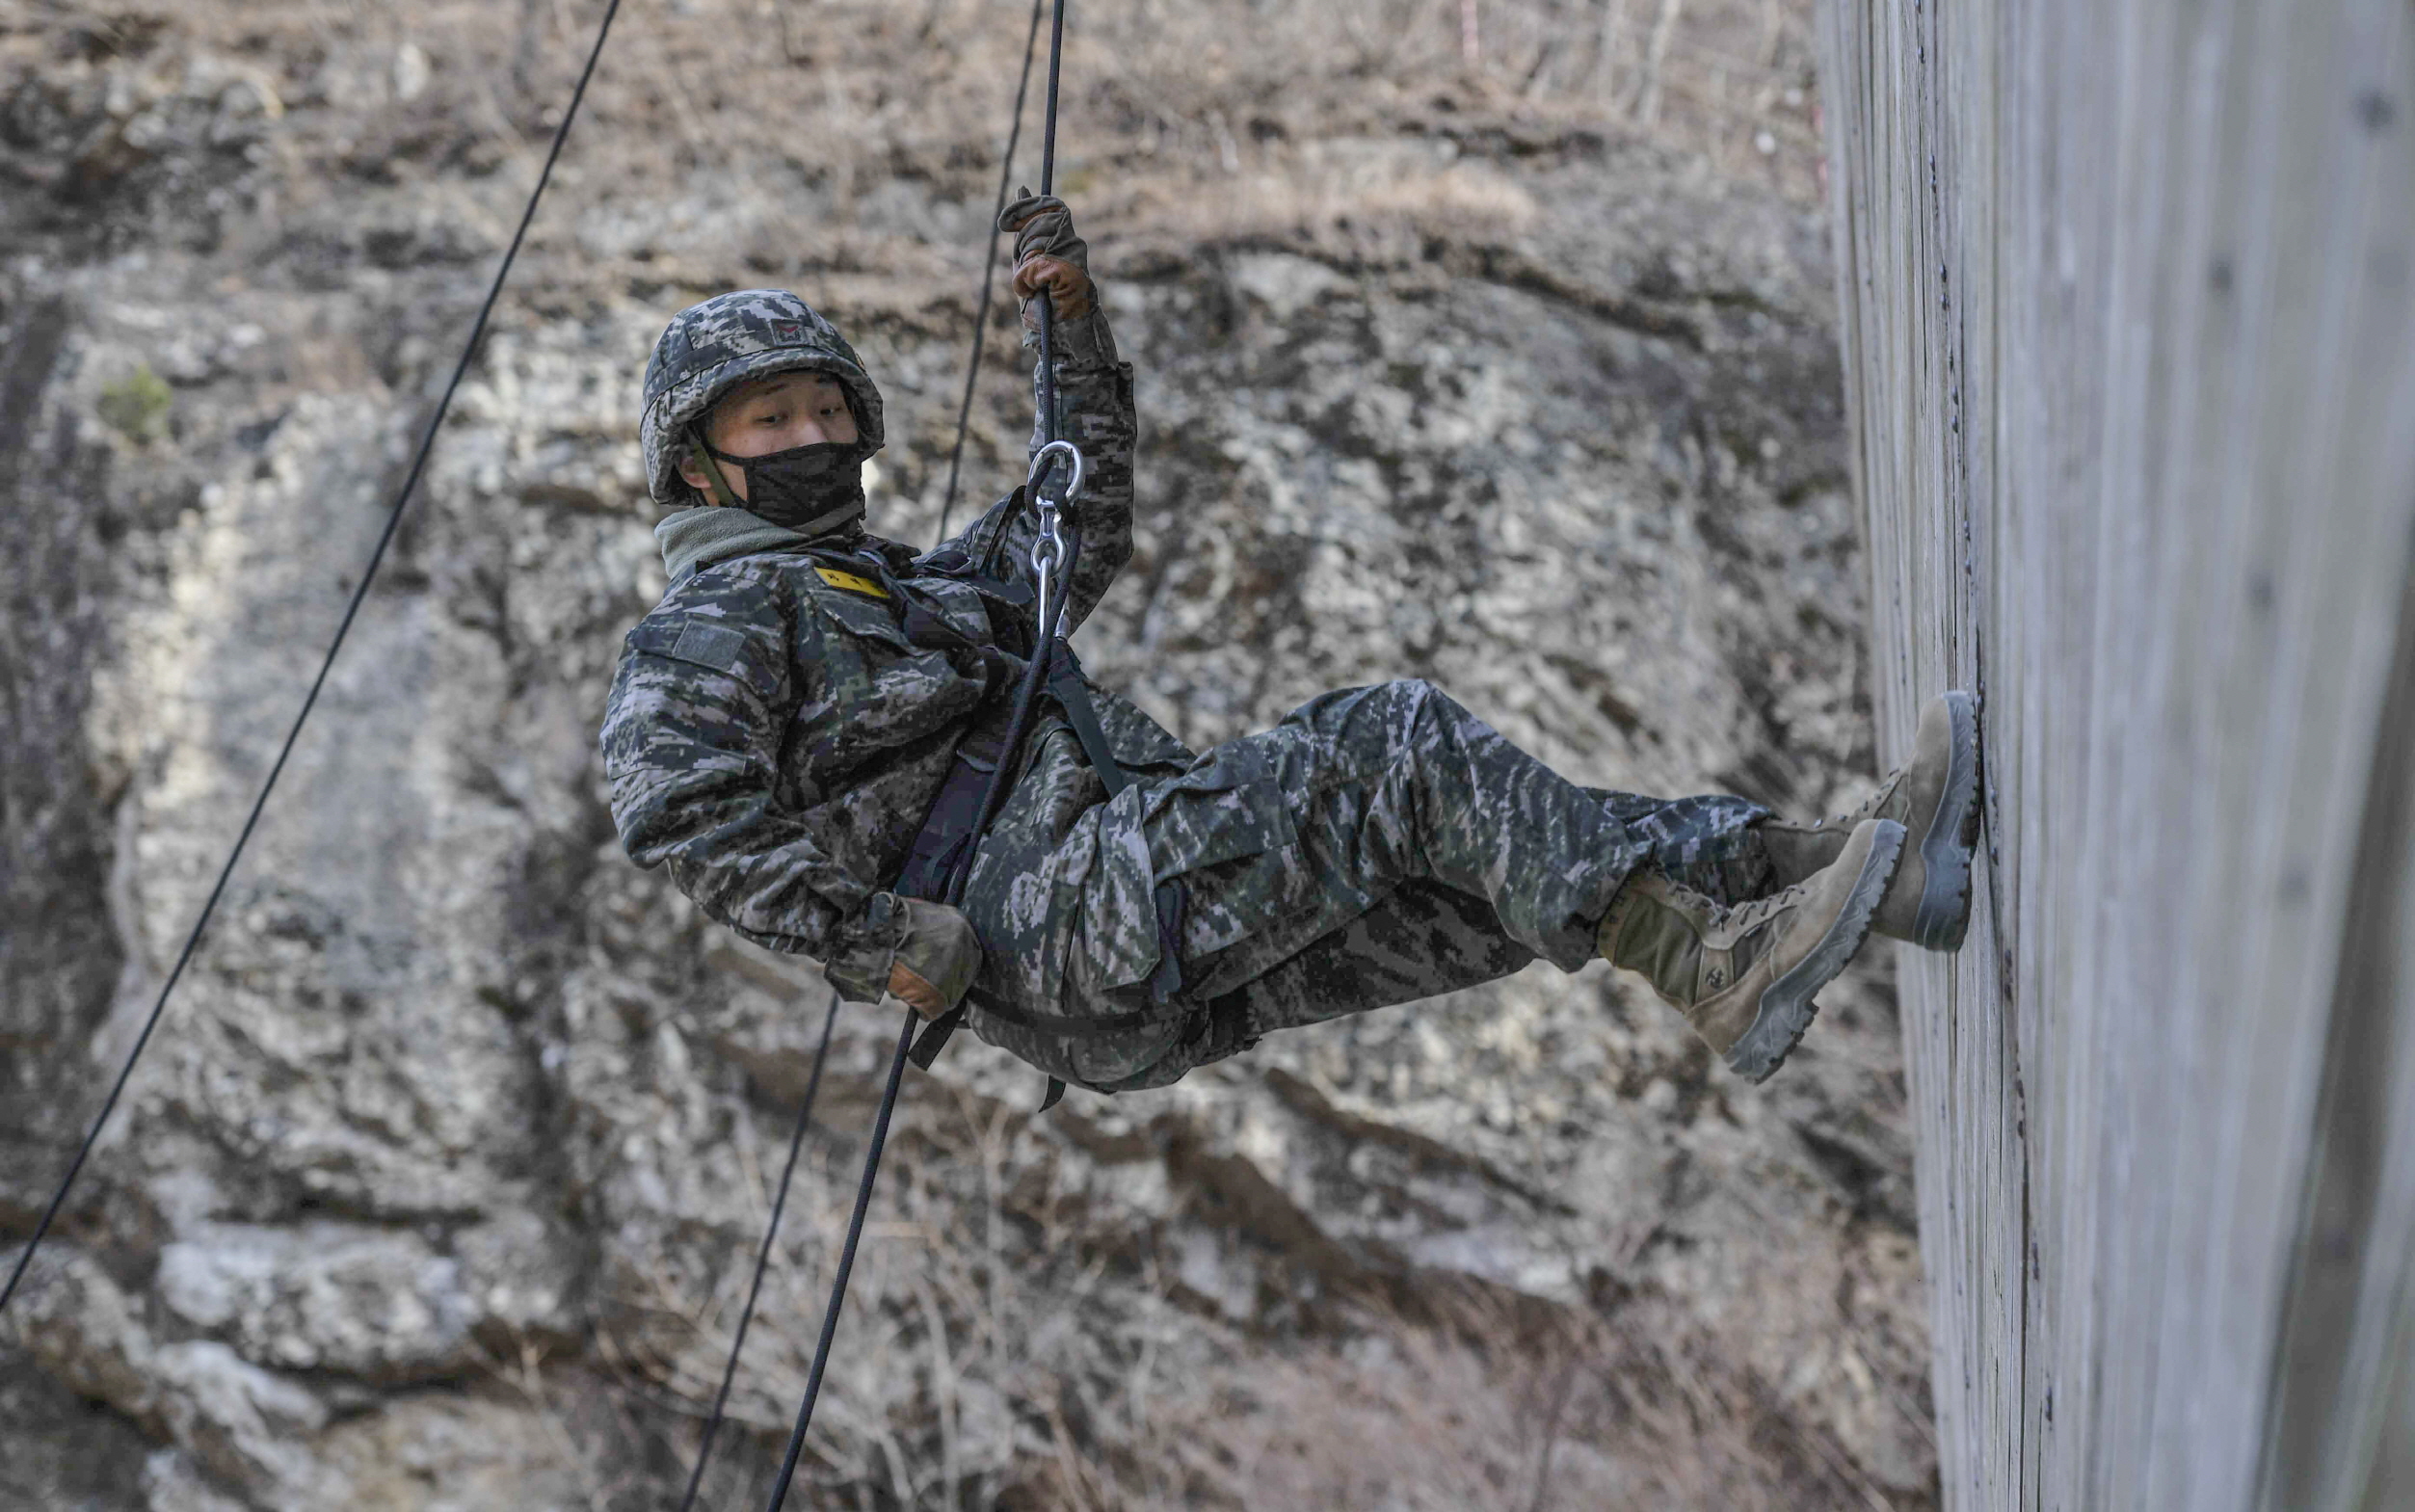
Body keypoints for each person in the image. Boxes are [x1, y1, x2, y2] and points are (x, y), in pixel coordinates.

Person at [598, 194, 1981, 1095]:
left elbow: (1074, 514)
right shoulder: (719, 620)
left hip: (1105, 943)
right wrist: (881, 942)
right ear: (701, 470)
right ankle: (1716, 968)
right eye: (765, 424)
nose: (809, 439)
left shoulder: (913, 595)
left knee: (1493, 865)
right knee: (1394, 744)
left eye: (820, 410)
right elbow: (675, 808)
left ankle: (1863, 874)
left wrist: (1068, 328)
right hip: (1059, 923)